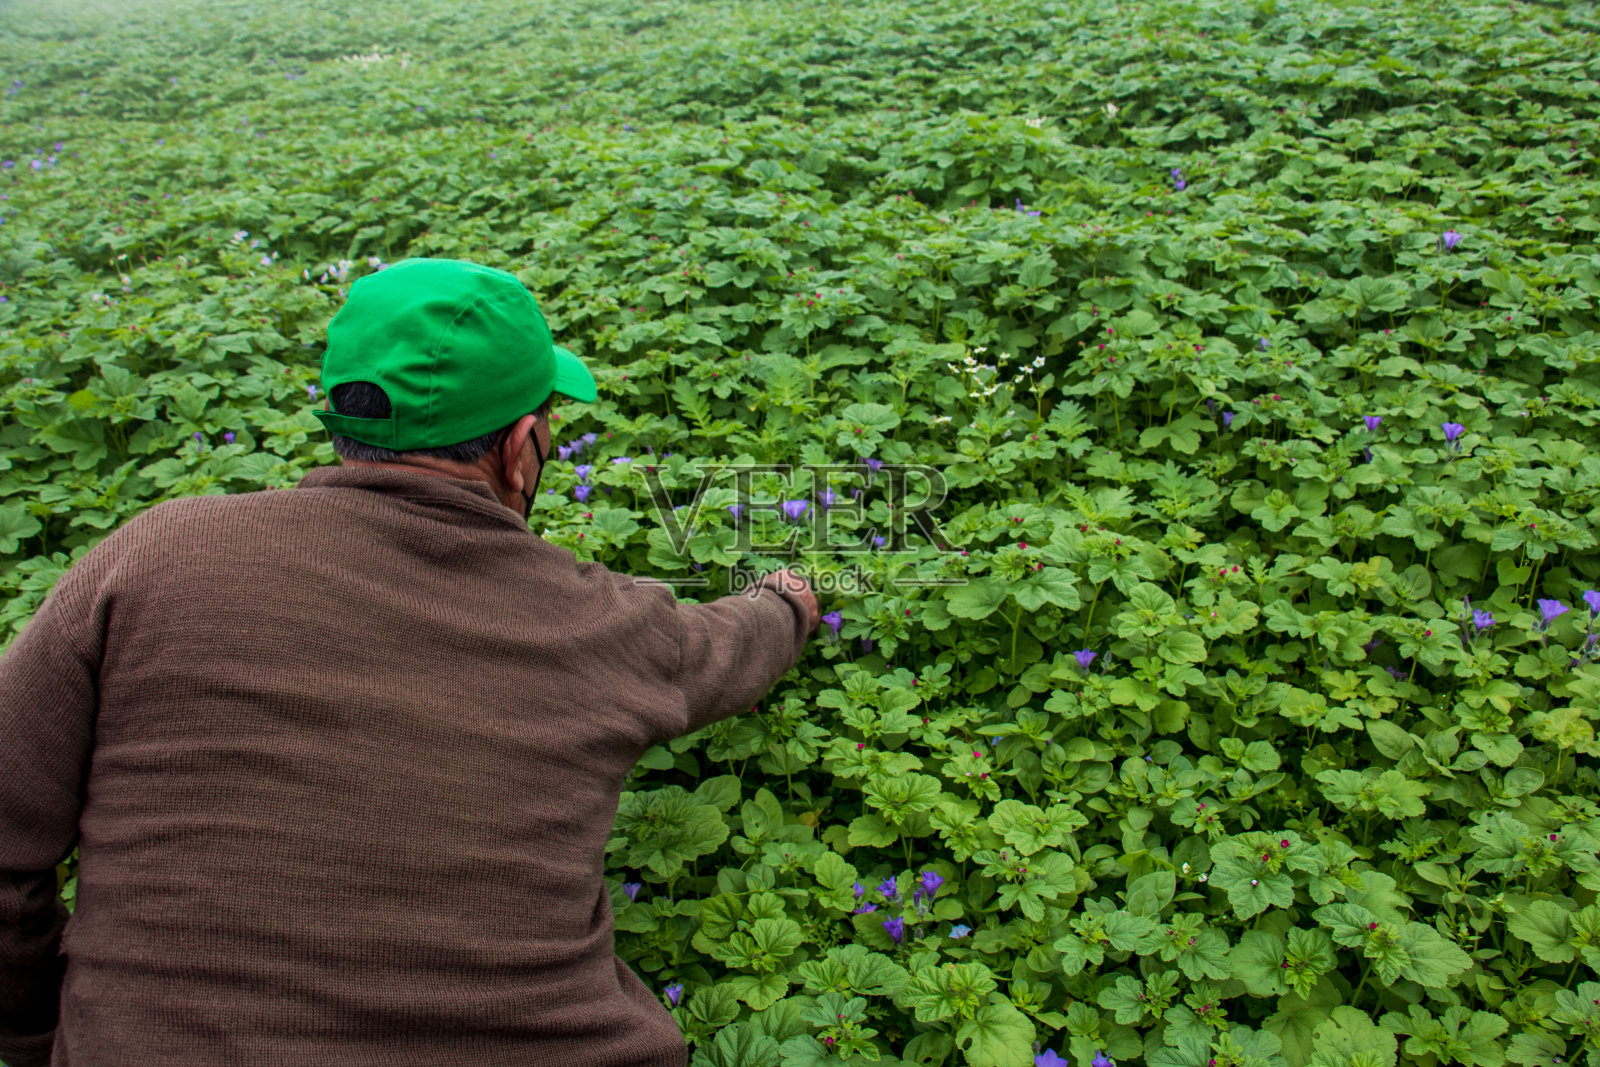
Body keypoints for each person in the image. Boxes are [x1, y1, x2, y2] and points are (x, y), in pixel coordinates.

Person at [0, 257, 820, 1066]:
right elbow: (728, 650)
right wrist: (786, 600)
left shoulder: (155, 554)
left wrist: (38, 1036)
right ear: (523, 448)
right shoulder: (608, 621)